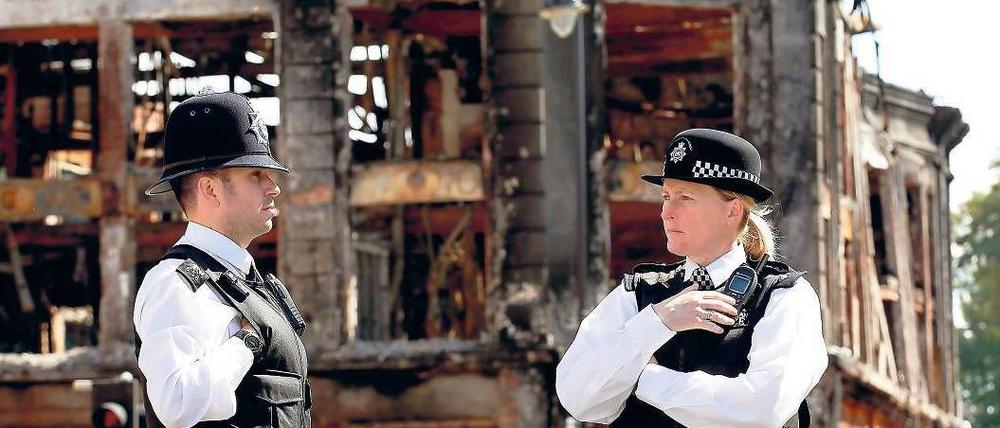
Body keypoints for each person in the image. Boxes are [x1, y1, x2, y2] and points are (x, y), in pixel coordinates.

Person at [556, 128, 828, 427]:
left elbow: (762, 410)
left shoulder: (785, 296)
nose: (666, 212)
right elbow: (578, 398)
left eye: (685, 197)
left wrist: (646, 378)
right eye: (666, 196)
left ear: (733, 211)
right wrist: (658, 321)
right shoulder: (636, 293)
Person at [134, 91, 311, 427]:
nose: (273, 187)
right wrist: (245, 343)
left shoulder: (244, 281)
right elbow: (178, 402)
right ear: (210, 190)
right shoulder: (175, 285)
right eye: (255, 174)